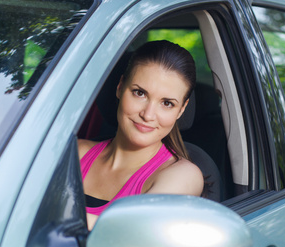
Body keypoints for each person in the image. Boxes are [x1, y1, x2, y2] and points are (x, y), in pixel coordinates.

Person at [78, 40, 204, 230]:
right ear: (120, 87)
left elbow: (130, 231)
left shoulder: (183, 176)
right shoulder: (75, 152)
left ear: (181, 110)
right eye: (139, 93)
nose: (148, 114)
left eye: (167, 103)